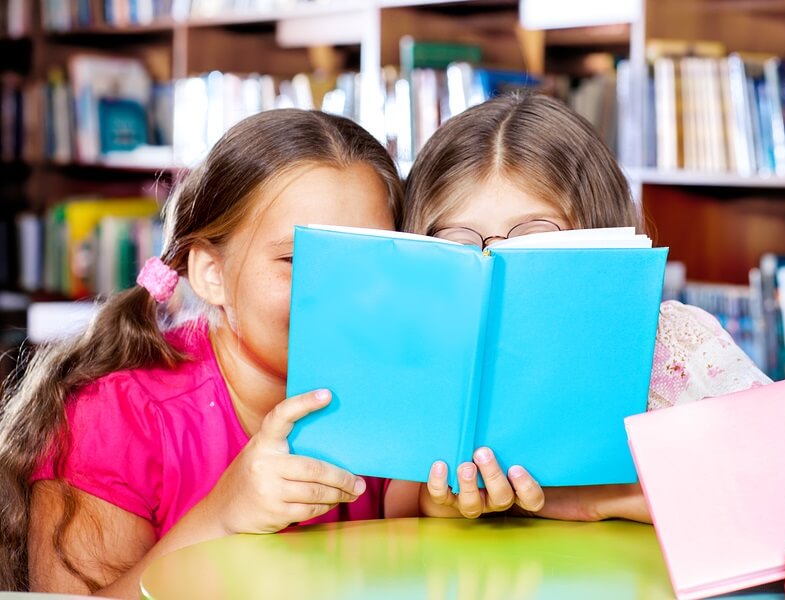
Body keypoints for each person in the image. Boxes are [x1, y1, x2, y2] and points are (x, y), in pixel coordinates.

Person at [0, 109, 543, 598]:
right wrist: (223, 516)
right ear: (211, 274)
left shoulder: (402, 397)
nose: (343, 295)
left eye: (370, 259)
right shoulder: (117, 416)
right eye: (298, 259)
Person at [404, 92, 772, 523]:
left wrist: (600, 498)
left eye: (534, 238)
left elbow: (778, 479)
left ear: (599, 229)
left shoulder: (674, 340)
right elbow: (403, 510)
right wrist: (442, 504)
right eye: (463, 246)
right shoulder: (428, 354)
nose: (501, 266)